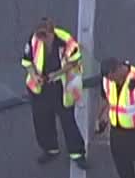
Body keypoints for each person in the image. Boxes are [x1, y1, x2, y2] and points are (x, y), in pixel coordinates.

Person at [20, 18, 87, 168]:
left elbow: (75, 61)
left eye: (44, 36)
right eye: (39, 36)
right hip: (40, 88)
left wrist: (56, 74)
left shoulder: (66, 41)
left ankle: (77, 153)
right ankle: (50, 148)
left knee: (67, 121)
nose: (41, 39)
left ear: (52, 32)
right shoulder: (34, 39)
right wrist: (35, 76)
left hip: (61, 87)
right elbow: (27, 62)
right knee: (42, 120)